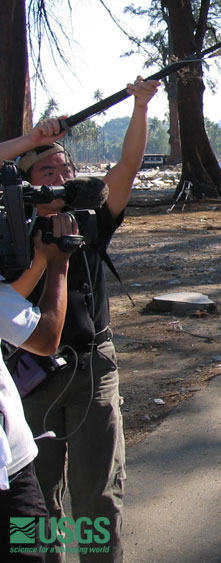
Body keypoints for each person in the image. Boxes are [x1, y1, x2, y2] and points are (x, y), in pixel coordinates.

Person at [15, 78, 160, 563]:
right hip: (27, 378)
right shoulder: (9, 232)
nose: (58, 175)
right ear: (25, 181)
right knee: (31, 498)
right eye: (45, 168)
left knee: (97, 496)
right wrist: (28, 140)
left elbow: (128, 168)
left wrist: (140, 106)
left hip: (92, 370)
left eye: (65, 167)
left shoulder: (91, 216)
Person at [1, 120, 77, 563]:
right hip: (12, 470)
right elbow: (46, 337)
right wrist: (57, 264)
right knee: (27, 548)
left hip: (14, 458)